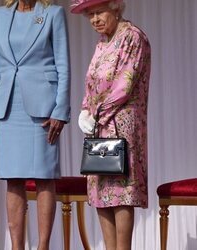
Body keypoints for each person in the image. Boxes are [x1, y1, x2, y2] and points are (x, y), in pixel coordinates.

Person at [0, 0, 70, 249]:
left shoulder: (53, 14)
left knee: (44, 177)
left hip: (43, 109)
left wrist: (60, 109)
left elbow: (63, 66)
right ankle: (16, 246)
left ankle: (43, 246)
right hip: (9, 106)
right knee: (13, 178)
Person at [71, 0, 151, 249]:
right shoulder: (102, 43)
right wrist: (85, 109)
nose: (94, 19)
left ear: (115, 7)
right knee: (101, 192)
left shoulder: (133, 37)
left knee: (121, 191)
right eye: (89, 15)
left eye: (98, 12)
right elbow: (91, 83)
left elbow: (123, 86)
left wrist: (96, 113)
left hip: (122, 124)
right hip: (98, 127)